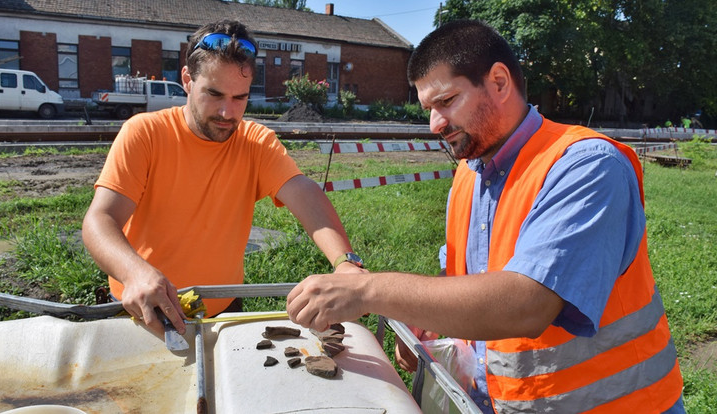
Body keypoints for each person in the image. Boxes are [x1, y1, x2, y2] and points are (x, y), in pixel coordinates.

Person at [287, 19, 685, 413]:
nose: (435, 125)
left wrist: (366, 291)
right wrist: (426, 319)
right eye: (429, 109)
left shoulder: (587, 166)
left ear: (498, 81)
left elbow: (526, 304)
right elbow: (465, 279)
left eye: (446, 102)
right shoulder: (470, 173)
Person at [82, 20, 366, 338]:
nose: (227, 112)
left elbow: (304, 193)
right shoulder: (145, 133)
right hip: (142, 308)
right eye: (214, 94)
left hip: (222, 311)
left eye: (239, 98)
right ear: (187, 80)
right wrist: (134, 272)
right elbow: (100, 219)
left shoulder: (255, 142)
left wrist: (346, 263)